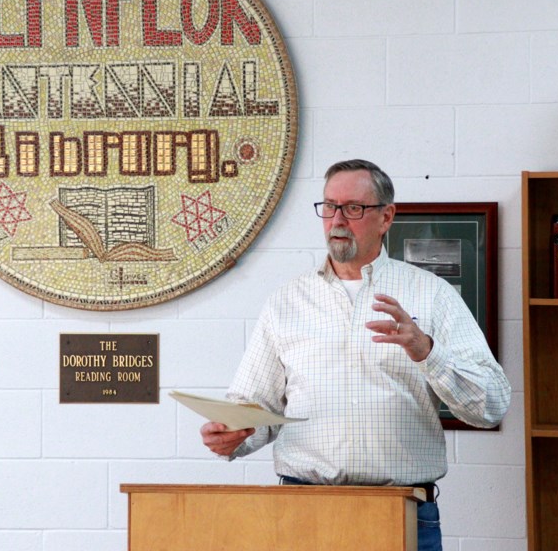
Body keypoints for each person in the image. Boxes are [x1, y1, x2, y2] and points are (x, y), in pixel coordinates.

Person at [200, 159, 511, 551]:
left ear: (386, 217)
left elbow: (492, 404)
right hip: (302, 512)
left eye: (353, 208)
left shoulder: (431, 294)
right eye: (329, 206)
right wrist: (232, 434)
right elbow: (255, 406)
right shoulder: (286, 302)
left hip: (401, 513)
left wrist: (427, 352)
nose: (337, 220)